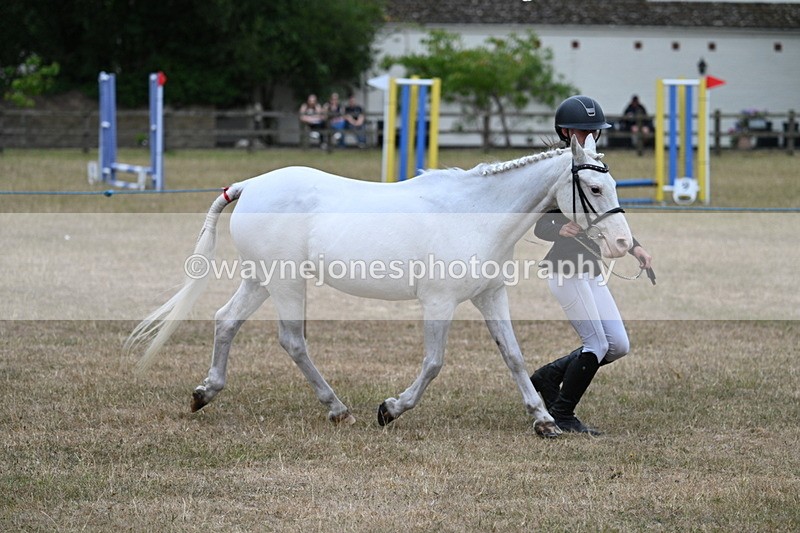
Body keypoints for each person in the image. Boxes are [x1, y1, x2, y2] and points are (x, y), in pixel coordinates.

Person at [530, 95, 654, 435]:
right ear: (566, 132)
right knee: (597, 345)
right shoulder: (559, 172)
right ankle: (562, 414)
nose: (591, 137)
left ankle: (548, 376)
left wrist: (636, 247)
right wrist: (559, 227)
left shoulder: (594, 167)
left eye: (594, 131)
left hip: (591, 269)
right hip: (564, 270)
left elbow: (608, 217)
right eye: (584, 132)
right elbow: (539, 225)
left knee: (618, 345)